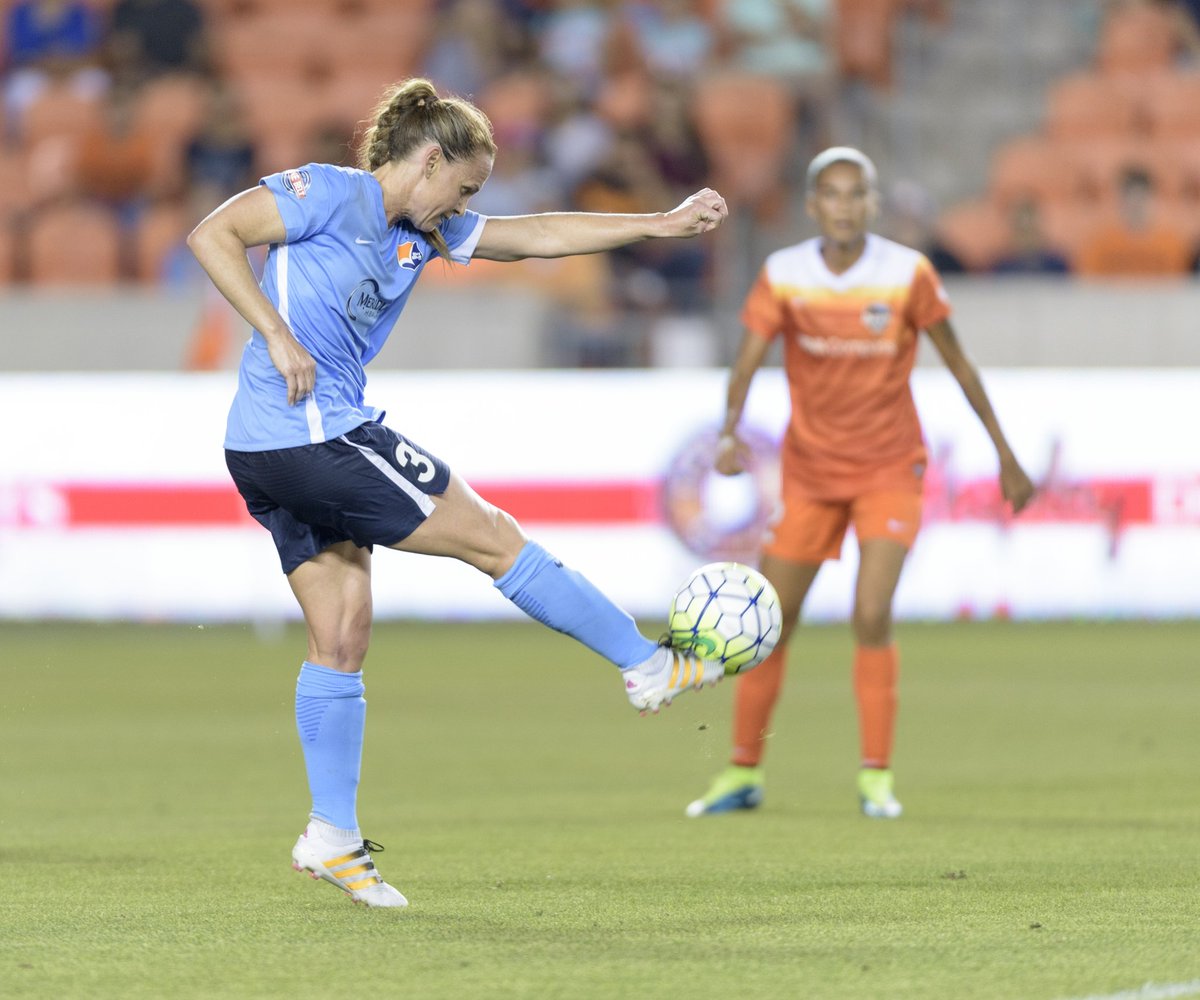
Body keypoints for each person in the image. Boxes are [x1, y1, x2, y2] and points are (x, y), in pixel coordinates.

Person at [186, 77, 730, 908]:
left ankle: (331, 836)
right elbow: (212, 234)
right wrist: (275, 333)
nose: (465, 208)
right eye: (464, 188)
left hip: (269, 448)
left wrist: (656, 224)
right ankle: (646, 665)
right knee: (492, 536)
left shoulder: (426, 229)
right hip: (316, 433)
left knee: (341, 634)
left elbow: (540, 234)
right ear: (428, 159)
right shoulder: (328, 194)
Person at [685, 147, 1035, 821]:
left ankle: (876, 777)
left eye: (857, 195)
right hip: (811, 474)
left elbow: (958, 364)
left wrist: (1006, 454)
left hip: (889, 468)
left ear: (871, 205)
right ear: (814, 205)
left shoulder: (907, 274)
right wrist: (729, 432)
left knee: (870, 613)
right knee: (770, 626)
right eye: (832, 195)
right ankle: (742, 771)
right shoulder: (784, 274)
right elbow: (746, 361)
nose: (844, 207)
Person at [1075, 165, 1194, 277]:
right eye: (1130, 198)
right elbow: (1090, 287)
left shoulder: (1171, 245)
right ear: (1120, 200)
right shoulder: (1101, 245)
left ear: (1151, 198)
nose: (1135, 205)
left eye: (1140, 198)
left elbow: (1180, 288)